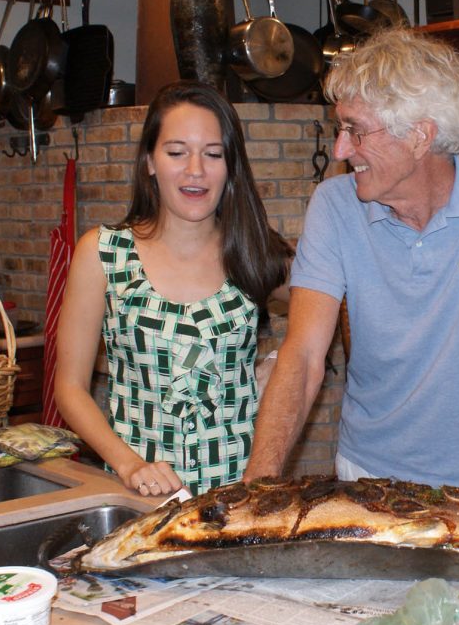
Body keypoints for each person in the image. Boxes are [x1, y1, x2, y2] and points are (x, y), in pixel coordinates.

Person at [243, 26, 459, 501]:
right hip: (364, 477)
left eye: (355, 131)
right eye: (340, 129)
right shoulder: (334, 204)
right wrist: (255, 490)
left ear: (419, 136)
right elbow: (303, 356)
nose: (340, 150)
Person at [55, 80, 290, 497]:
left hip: (238, 495)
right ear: (150, 160)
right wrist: (129, 465)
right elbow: (70, 388)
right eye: (177, 152)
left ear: (230, 165)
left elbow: (325, 309)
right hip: (142, 495)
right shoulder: (103, 253)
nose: (195, 169)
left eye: (213, 154)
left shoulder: (254, 249)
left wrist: (280, 364)